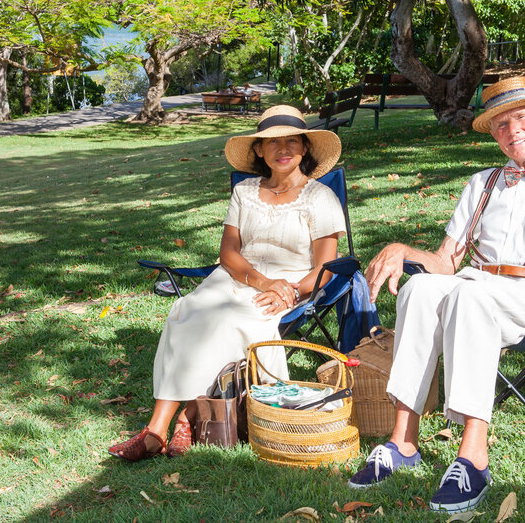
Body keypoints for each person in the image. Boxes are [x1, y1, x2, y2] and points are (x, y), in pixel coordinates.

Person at [349, 76, 525, 513]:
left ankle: (473, 458)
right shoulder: (482, 183)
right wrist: (404, 250)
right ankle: (403, 441)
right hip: (479, 283)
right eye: (500, 124)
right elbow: (446, 261)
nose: (512, 130)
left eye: (521, 117)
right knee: (421, 288)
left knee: (467, 297)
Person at [109, 106, 347, 461]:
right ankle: (159, 428)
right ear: (258, 151)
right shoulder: (246, 191)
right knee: (188, 309)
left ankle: (186, 419)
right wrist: (260, 279)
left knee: (227, 320)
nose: (283, 149)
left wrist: (290, 291)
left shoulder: (320, 198)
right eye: (272, 142)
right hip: (241, 275)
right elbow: (229, 252)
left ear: (304, 148)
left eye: (291, 141)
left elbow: (327, 267)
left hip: (293, 286)